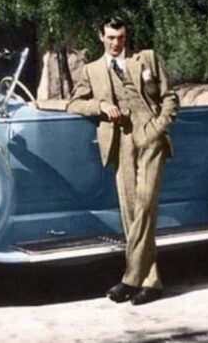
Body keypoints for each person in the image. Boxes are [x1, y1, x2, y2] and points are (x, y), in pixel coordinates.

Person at [67, 16, 179, 305]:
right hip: (120, 142)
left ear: (126, 37)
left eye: (121, 38)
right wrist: (101, 106)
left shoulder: (147, 59)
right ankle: (151, 281)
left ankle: (129, 278)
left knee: (144, 204)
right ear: (101, 37)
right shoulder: (91, 70)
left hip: (150, 137)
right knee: (130, 210)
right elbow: (74, 103)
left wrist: (158, 127)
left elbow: (170, 97)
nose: (116, 43)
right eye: (111, 38)